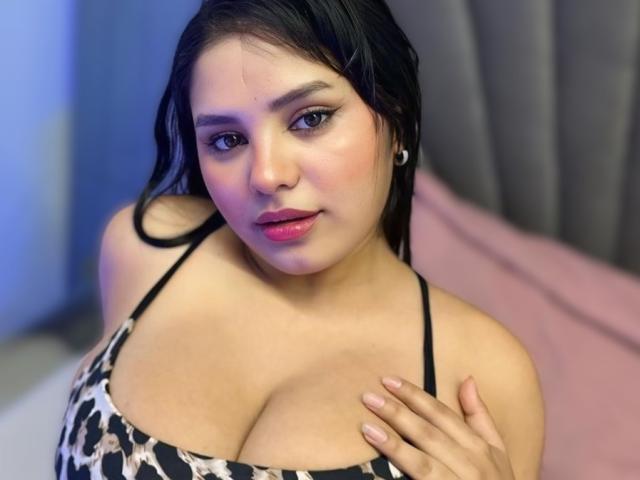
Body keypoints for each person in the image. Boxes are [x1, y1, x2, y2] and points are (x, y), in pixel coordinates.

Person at [54, 0, 545, 478]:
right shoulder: (149, 247)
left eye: (310, 118)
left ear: (396, 121)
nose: (267, 176)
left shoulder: (486, 371)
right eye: (227, 139)